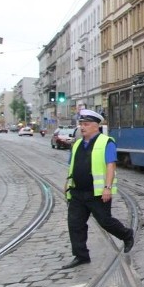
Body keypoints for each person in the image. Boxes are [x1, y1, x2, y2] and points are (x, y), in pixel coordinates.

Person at [61, 109, 134, 269]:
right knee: (75, 224)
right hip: (77, 192)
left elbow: (110, 166)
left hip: (97, 193)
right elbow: (72, 166)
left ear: (96, 126)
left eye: (86, 124)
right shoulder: (78, 144)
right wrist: (67, 183)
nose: (82, 127)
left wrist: (107, 187)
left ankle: (127, 235)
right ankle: (81, 256)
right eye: (81, 124)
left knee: (105, 221)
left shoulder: (106, 142)